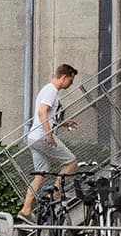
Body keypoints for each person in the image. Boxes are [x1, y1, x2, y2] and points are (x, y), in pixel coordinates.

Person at [19, 64, 80, 219]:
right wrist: (49, 134)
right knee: (71, 162)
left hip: (33, 137)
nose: (71, 84)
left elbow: (49, 116)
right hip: (41, 136)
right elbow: (42, 112)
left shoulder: (49, 90)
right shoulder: (51, 91)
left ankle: (26, 210)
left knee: (41, 174)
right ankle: (55, 194)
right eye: (70, 81)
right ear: (64, 77)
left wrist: (64, 123)